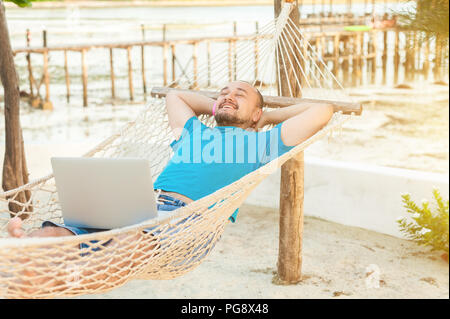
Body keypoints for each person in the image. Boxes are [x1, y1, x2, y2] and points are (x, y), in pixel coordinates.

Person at [8, 80, 333, 239]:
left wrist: (267, 117)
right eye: (223, 92)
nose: (227, 96)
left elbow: (323, 111)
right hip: (142, 209)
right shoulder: (192, 133)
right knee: (52, 234)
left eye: (240, 94)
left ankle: (66, 262)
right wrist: (223, 106)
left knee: (127, 242)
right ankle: (28, 249)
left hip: (189, 222)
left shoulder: (262, 144)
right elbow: (175, 96)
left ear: (257, 112)